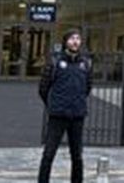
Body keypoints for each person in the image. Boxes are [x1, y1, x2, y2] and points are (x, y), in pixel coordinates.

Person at [37, 29, 92, 183]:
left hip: (77, 115)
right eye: (72, 38)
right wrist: (53, 104)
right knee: (49, 154)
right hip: (58, 115)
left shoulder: (85, 63)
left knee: (77, 155)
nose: (75, 41)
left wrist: (77, 102)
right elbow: (43, 88)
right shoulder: (55, 62)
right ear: (65, 41)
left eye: (78, 38)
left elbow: (88, 87)